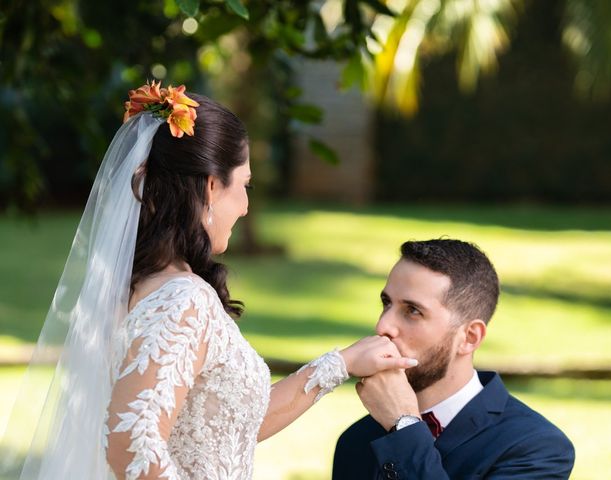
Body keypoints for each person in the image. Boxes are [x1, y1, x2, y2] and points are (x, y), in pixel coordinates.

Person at [0, 82, 418, 480]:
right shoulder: (183, 301)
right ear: (212, 186)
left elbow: (224, 427)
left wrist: (339, 364)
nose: (247, 205)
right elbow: (130, 439)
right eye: (245, 185)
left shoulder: (138, 289)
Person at [332, 239, 575, 479]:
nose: (382, 325)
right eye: (386, 303)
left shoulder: (536, 447)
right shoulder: (355, 440)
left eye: (413, 311)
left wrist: (403, 427)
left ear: (469, 337)